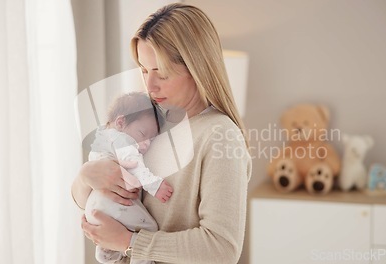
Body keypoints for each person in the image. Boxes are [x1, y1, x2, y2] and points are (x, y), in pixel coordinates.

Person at [72, 3, 252, 264]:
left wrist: (129, 242)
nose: (150, 85)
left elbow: (222, 249)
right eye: (144, 70)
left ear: (196, 67)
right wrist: (86, 176)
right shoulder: (149, 119)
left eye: (162, 73)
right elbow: (86, 199)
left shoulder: (221, 136)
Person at [85, 91, 172, 264]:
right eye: (142, 133)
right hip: (113, 204)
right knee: (149, 229)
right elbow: (136, 167)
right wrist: (156, 186)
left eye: (151, 139)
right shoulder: (122, 140)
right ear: (121, 122)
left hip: (94, 206)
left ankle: (106, 252)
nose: (146, 143)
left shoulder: (102, 138)